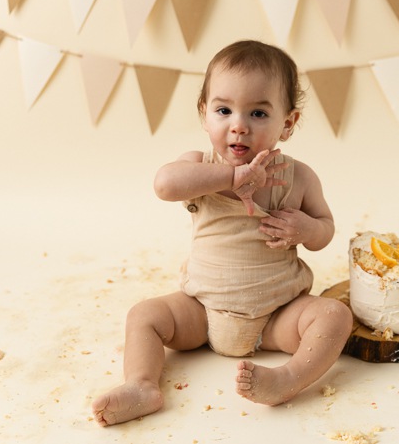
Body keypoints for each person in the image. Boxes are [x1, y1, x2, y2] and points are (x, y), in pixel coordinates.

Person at [91, 40, 353, 427]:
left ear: (288, 123)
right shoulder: (199, 168)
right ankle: (141, 385)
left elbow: (325, 230)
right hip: (201, 310)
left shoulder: (298, 177)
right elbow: (164, 184)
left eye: (259, 112)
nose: (239, 124)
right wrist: (230, 177)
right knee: (144, 315)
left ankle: (288, 379)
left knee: (334, 315)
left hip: (277, 316)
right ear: (204, 114)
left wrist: (306, 228)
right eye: (224, 110)